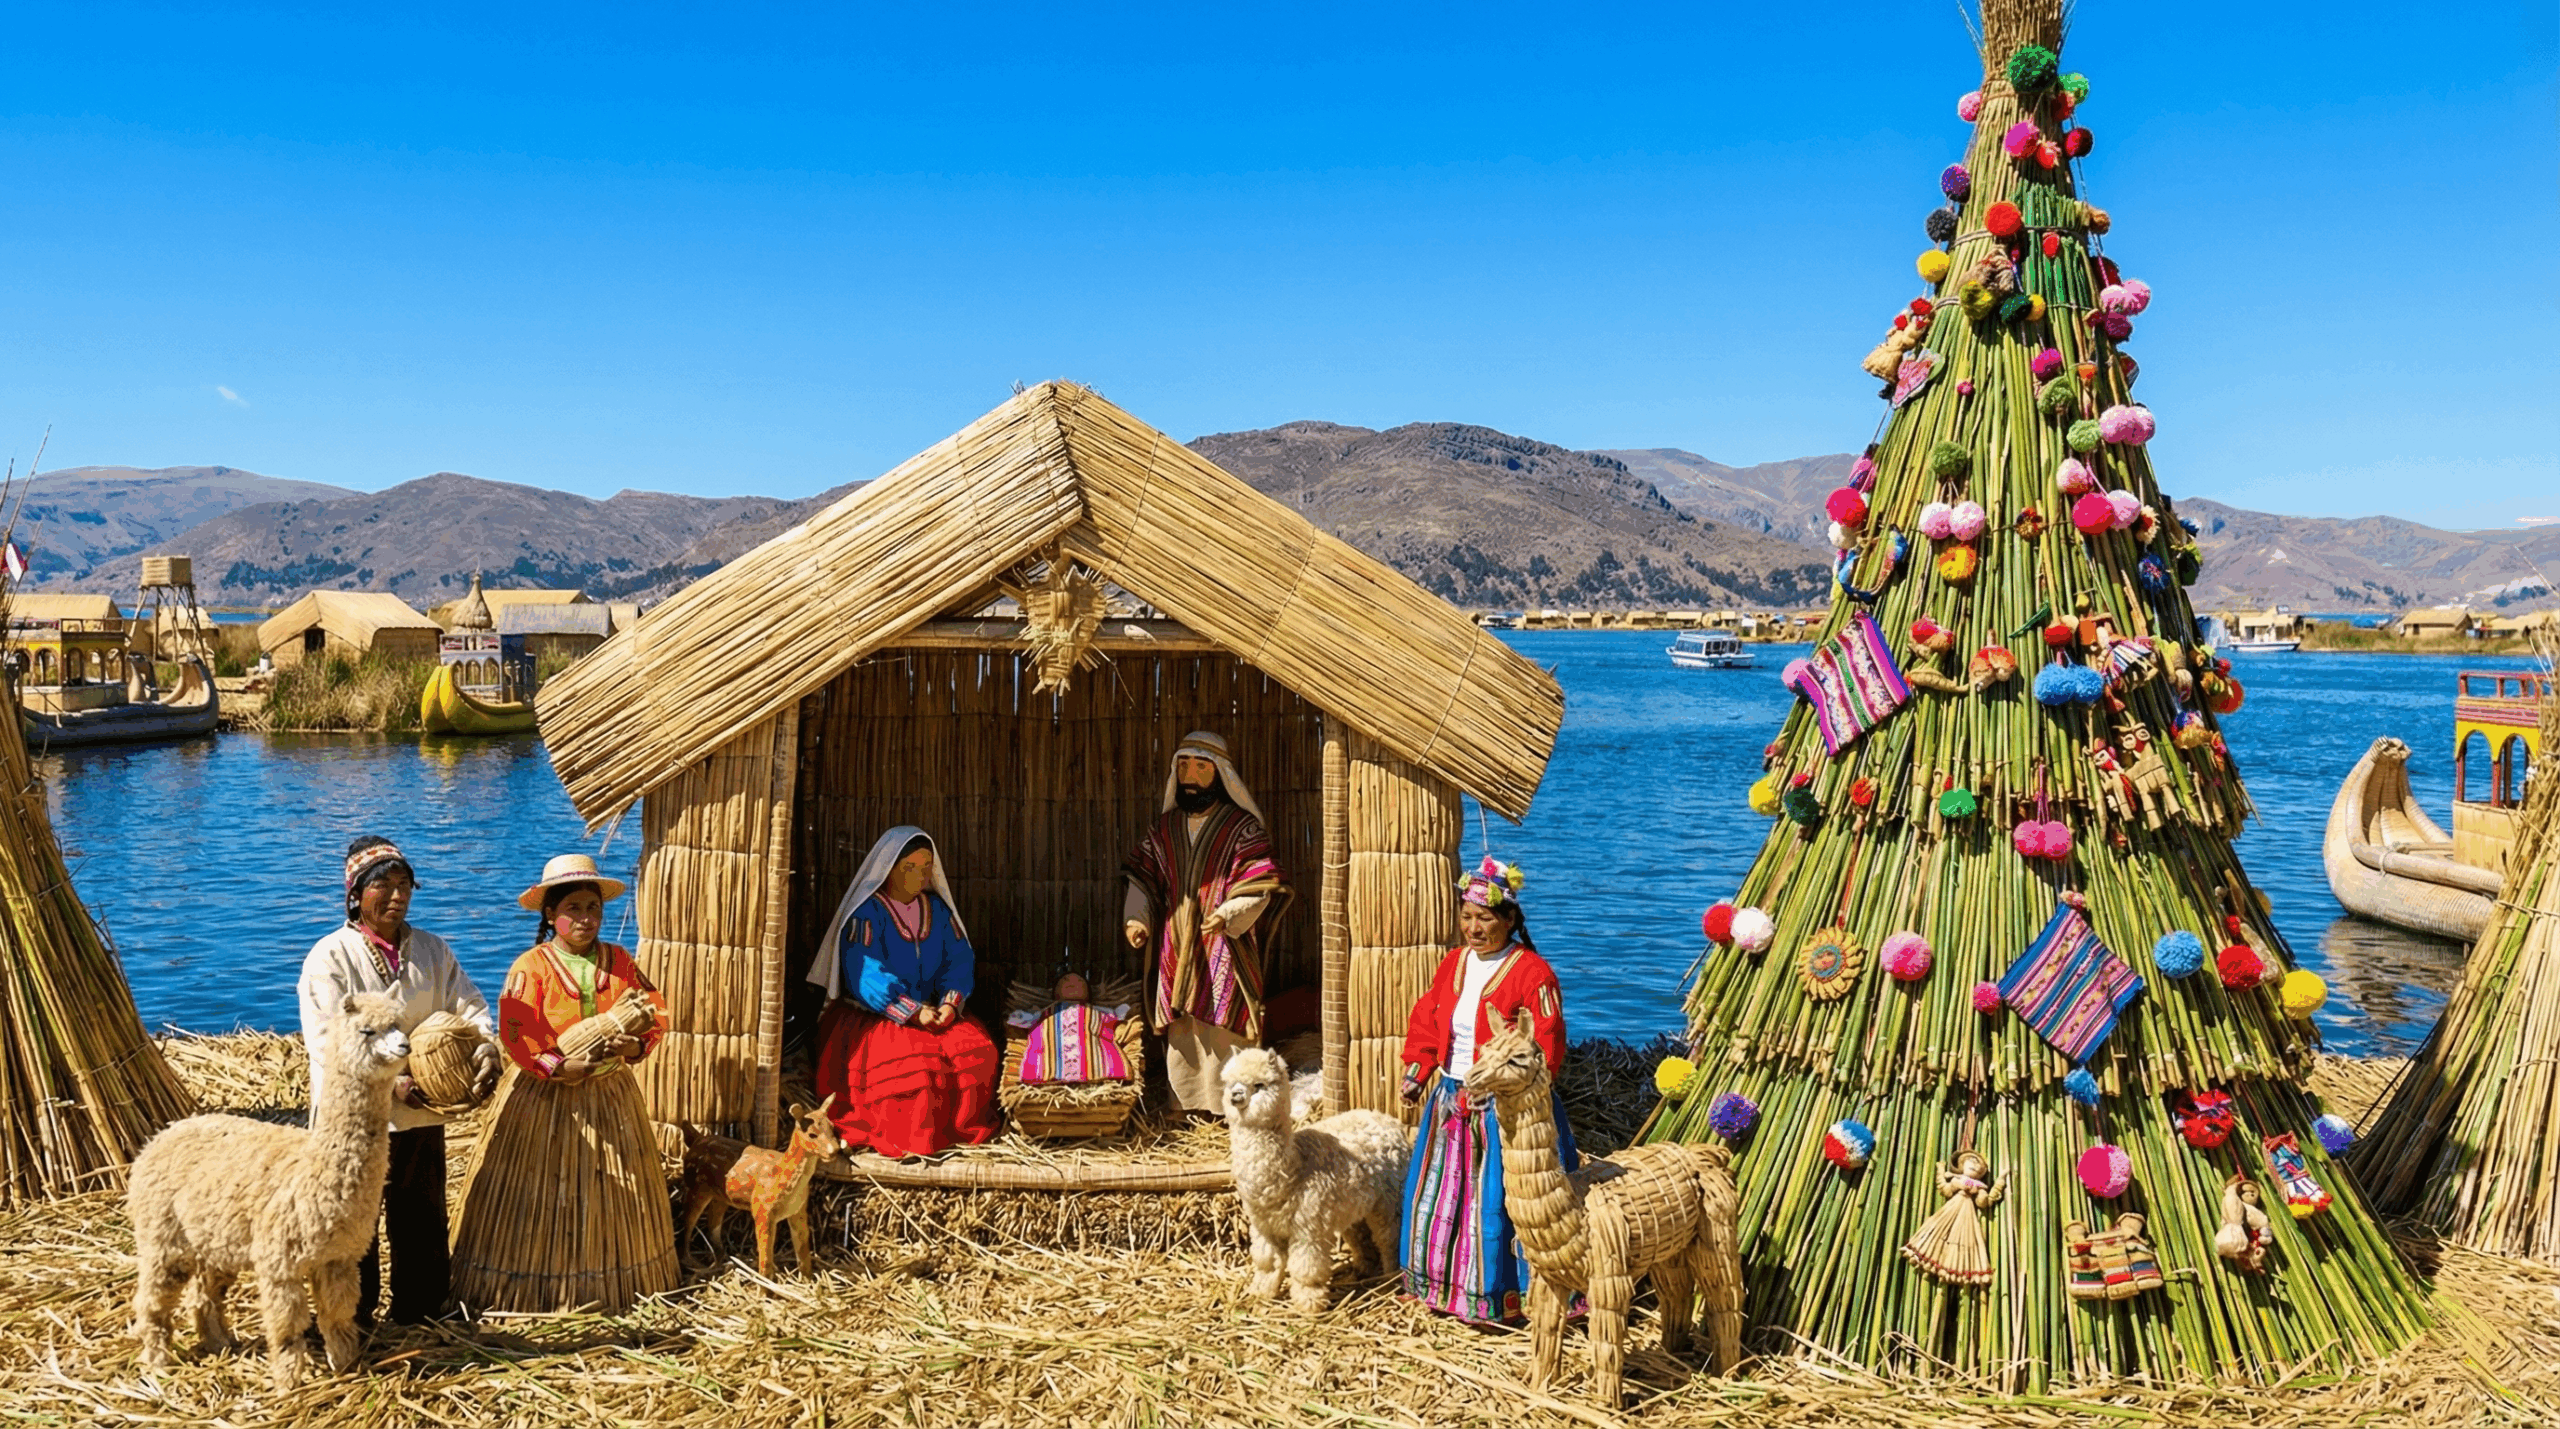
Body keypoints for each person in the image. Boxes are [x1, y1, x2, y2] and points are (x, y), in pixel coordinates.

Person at [448, 854, 677, 1312]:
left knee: (613, 1190)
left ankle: (616, 1283)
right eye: (573, 908)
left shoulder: (620, 961)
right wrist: (555, 1065)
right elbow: (515, 1032)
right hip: (544, 1101)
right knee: (541, 1193)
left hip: (611, 1099)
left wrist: (634, 1049)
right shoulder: (530, 967)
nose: (585, 919)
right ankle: (534, 1289)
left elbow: (656, 1009)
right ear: (551, 915)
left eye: (593, 908)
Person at [295, 836, 500, 1326]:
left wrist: (486, 1046)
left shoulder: (431, 949)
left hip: (421, 1112)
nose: (396, 896)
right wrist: (391, 1083)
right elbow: (327, 1041)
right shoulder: (330, 959)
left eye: (404, 885)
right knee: (349, 1223)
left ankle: (422, 1313)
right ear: (354, 894)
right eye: (382, 886)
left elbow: (467, 1004)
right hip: (353, 1123)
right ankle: (351, 1318)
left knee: (422, 1216)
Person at [1396, 855, 1575, 1325]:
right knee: (1439, 1196)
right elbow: (1429, 1018)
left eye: (1486, 918)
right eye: (1467, 917)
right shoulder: (1453, 963)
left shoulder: (1532, 973)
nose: (1474, 928)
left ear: (1510, 920)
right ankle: (1438, 1287)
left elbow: (1547, 1043)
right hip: (1451, 1100)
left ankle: (1506, 1298)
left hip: (1507, 1111)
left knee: (1498, 1201)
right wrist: (1418, 1070)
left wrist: (1513, 1097)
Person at [807, 827, 1000, 1156]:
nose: (920, 875)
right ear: (888, 869)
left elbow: (958, 957)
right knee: (918, 1071)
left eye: (926, 867)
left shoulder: (938, 912)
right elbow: (863, 970)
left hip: (933, 1011)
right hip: (880, 1016)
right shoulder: (867, 914)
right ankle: (910, 1139)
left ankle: (958, 1134)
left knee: (978, 1054)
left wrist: (950, 1003)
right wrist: (909, 1010)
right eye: (909, 867)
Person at [1122, 730, 1287, 1114]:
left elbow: (1259, 883)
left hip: (1225, 944)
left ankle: (1233, 1109)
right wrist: (1137, 918)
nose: (1191, 776)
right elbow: (1142, 879)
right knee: (1182, 1030)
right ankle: (1186, 1107)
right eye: (1183, 766)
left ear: (1220, 773)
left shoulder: (1243, 828)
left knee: (1225, 1024)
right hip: (1175, 944)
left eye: (1201, 766)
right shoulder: (1164, 830)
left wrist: (1229, 913)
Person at [1005, 972, 1135, 1085]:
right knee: (1045, 1057)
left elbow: (1120, 1015)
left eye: (1079, 981)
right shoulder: (1042, 1013)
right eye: (1064, 981)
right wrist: (1028, 1014)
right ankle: (1048, 1071)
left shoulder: (1099, 1011)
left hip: (1094, 1049)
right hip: (1051, 1055)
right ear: (1054, 993)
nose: (1072, 982)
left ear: (1088, 994)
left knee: (1100, 1056)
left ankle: (1102, 1069)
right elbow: (1016, 1020)